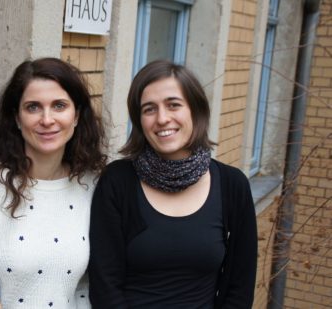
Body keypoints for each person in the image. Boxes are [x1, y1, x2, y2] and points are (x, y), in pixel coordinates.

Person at [88, 60, 257, 308]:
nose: (162, 118)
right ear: (139, 121)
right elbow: (105, 284)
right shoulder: (118, 181)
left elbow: (240, 288)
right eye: (149, 109)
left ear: (195, 110)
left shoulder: (232, 185)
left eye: (173, 105)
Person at [0, 57, 107, 308]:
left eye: (59, 106)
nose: (47, 119)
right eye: (33, 107)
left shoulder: (91, 184)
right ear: (17, 118)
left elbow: (86, 289)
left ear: (76, 116)